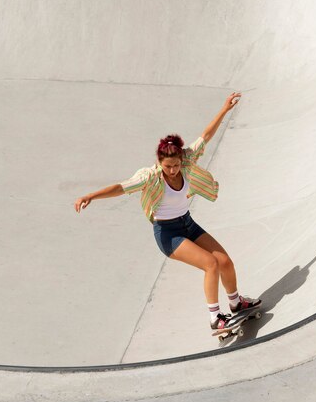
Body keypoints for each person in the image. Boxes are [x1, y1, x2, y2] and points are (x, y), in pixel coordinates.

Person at [74, 92, 261, 331]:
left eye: (175, 166)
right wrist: (90, 196)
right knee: (210, 263)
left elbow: (206, 136)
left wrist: (224, 109)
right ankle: (215, 318)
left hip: (187, 224)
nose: (172, 171)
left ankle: (236, 304)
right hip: (168, 234)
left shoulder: (186, 160)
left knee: (225, 261)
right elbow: (121, 187)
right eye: (167, 166)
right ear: (159, 162)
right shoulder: (150, 177)